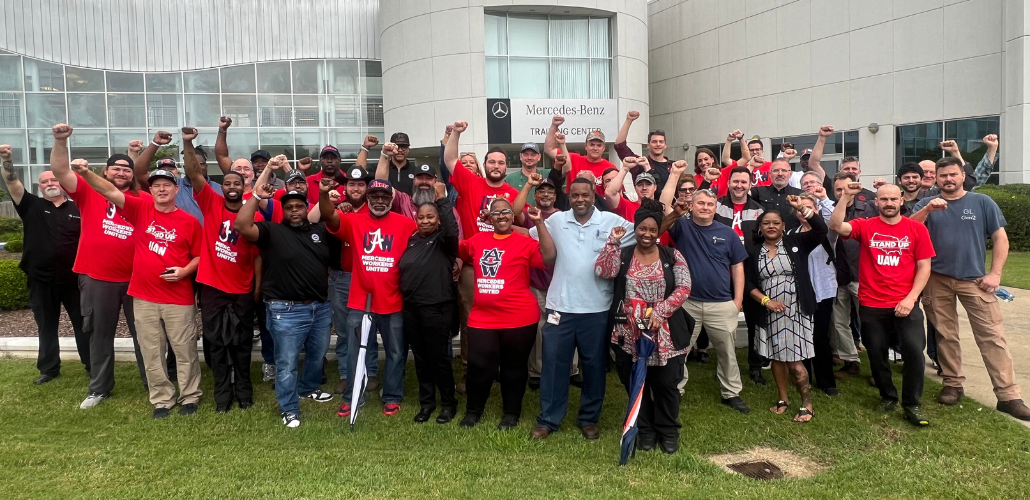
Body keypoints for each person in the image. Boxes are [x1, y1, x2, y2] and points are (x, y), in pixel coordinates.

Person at [73, 158, 204, 419]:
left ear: (176, 190)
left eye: (167, 185)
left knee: (184, 349)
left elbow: (200, 256)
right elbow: (108, 191)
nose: (162, 190)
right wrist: (85, 172)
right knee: (151, 350)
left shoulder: (189, 221)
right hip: (143, 297)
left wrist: (184, 271)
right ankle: (162, 400)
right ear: (150, 190)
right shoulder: (139, 209)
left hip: (178, 298)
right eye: (157, 186)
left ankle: (190, 396)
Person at [48, 124, 163, 409]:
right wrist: (60, 141)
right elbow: (62, 172)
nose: (122, 172)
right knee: (100, 334)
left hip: (138, 279)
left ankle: (154, 384)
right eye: (116, 169)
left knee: (146, 335)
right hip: (98, 277)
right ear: (106, 172)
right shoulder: (88, 191)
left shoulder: (146, 199)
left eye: (127, 169)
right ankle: (99, 388)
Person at [911, 158, 1030, 421]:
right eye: (943, 176)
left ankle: (1008, 396)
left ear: (963, 175)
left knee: (992, 335)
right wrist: (928, 209)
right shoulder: (926, 204)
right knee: (945, 334)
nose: (948, 179)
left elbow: (1000, 238)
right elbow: (910, 231)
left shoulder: (982, 202)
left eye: (953, 174)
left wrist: (995, 274)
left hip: (975, 280)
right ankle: (952, 384)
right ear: (937, 179)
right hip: (936, 278)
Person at [528, 178, 634, 440]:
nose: (580, 200)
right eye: (575, 195)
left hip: (596, 308)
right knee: (553, 365)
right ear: (569, 196)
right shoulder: (555, 220)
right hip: (559, 307)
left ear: (593, 195)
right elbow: (531, 237)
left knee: (594, 365)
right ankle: (549, 419)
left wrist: (673, 215)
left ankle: (589, 418)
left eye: (585, 195)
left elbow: (648, 230)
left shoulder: (612, 222)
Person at [236, 166, 334, 428]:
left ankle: (309, 387)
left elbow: (331, 221)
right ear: (284, 209)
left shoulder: (319, 232)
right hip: (286, 309)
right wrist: (256, 196)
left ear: (305, 208)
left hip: (320, 307)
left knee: (317, 353)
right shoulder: (271, 232)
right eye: (289, 206)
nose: (294, 210)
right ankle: (289, 407)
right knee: (287, 362)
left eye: (298, 206)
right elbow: (242, 225)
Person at [830, 183, 934, 426]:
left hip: (905, 304)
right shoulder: (865, 226)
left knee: (913, 352)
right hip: (872, 304)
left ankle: (912, 403)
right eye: (883, 199)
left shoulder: (915, 229)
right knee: (876, 354)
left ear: (901, 201)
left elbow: (924, 267)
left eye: (893, 199)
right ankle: (888, 396)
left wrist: (911, 299)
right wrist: (845, 197)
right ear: (876, 202)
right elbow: (835, 225)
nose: (889, 203)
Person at [596, 199, 692, 454]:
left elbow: (684, 287)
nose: (647, 234)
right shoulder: (625, 254)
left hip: (665, 333)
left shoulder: (671, 255)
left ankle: (668, 430)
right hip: (629, 333)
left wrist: (661, 311)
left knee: (666, 385)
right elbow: (604, 272)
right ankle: (646, 429)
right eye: (642, 229)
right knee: (637, 385)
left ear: (658, 231)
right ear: (635, 230)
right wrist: (613, 242)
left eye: (652, 229)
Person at [659, 163, 750, 414]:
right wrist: (674, 175)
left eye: (710, 205)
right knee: (680, 350)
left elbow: (737, 267)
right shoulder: (682, 226)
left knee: (727, 351)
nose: (705, 208)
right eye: (700, 203)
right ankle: (676, 389)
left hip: (722, 303)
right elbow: (664, 205)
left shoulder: (727, 233)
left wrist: (738, 300)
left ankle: (731, 392)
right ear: (692, 205)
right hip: (687, 301)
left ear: (715, 208)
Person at [458, 198, 555, 429]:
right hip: (482, 317)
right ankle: (473, 410)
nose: (502, 216)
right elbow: (460, 251)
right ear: (489, 218)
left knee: (513, 367)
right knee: (479, 365)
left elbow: (549, 258)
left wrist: (540, 224)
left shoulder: (524, 242)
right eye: (496, 213)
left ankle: (511, 414)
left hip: (519, 317)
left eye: (506, 212)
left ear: (513, 216)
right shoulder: (477, 241)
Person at [324, 179, 416, 418]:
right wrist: (325, 196)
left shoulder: (406, 224)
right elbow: (330, 219)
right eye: (374, 196)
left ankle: (392, 395)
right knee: (356, 351)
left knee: (396, 351)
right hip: (360, 299)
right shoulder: (354, 221)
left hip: (393, 300)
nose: (379, 201)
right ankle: (353, 395)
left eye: (384, 197)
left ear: (391, 200)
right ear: (367, 198)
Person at [181, 128, 256, 413]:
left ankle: (244, 394)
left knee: (242, 344)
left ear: (244, 186)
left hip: (242, 290)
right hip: (212, 287)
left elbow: (258, 256)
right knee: (216, 344)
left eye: (237, 182)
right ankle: (222, 397)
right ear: (221, 187)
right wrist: (188, 142)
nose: (232, 186)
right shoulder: (210, 202)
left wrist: (256, 290)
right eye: (227, 182)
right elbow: (193, 172)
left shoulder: (252, 211)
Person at [443, 121, 522, 393]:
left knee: (502, 316)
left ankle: (496, 367)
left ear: (505, 167)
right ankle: (469, 371)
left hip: (505, 267)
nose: (496, 166)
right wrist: (457, 133)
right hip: (472, 265)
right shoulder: (471, 184)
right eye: (492, 161)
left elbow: (523, 220)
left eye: (501, 162)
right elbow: (451, 158)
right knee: (471, 318)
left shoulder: (512, 194)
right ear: (485, 164)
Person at [1, 144, 86, 385]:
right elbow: (12, 182)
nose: (50, 184)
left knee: (83, 325)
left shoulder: (79, 208)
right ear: (39, 187)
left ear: (62, 183)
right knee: (46, 326)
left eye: (54, 180)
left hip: (74, 279)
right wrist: (7, 158)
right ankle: (49, 369)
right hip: (40, 279)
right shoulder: (31, 206)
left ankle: (92, 365)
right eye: (44, 181)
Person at [745, 200, 828, 423]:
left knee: (793, 357)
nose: (771, 226)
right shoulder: (754, 252)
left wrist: (802, 208)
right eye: (766, 223)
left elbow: (821, 229)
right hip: (769, 310)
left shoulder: (797, 242)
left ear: (783, 226)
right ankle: (783, 399)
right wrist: (766, 301)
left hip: (796, 309)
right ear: (760, 228)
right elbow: (749, 283)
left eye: (776, 223)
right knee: (776, 356)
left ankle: (807, 403)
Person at [398, 182, 460, 424]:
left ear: (438, 219)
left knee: (439, 359)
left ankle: (448, 403)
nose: (425, 221)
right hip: (411, 308)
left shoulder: (444, 242)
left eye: (430, 217)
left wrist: (442, 200)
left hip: (437, 308)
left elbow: (453, 231)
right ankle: (427, 403)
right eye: (421, 217)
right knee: (421, 359)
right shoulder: (412, 241)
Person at [511, 174, 578, 390]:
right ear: (536, 195)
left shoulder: (567, 216)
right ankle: (537, 371)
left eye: (550, 191)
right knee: (540, 327)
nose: (546, 194)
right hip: (537, 280)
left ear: (556, 196)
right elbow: (515, 213)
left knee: (567, 325)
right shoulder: (531, 214)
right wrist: (529, 184)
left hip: (562, 280)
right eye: (541, 191)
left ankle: (572, 369)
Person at [713, 166, 766, 385]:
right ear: (729, 183)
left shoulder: (758, 210)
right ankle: (724, 365)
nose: (739, 186)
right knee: (722, 323)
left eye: (744, 182)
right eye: (735, 181)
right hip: (721, 272)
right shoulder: (716, 206)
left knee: (755, 321)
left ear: (750, 185)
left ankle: (755, 366)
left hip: (750, 272)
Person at [829, 172, 877, 379]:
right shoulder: (829, 210)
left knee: (869, 322)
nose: (843, 193)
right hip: (838, 275)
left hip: (864, 275)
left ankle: (878, 366)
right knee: (840, 322)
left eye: (846, 189)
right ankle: (851, 361)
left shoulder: (870, 209)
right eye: (838, 189)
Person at [792, 187, 839, 396]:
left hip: (823, 290)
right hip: (801, 292)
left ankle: (827, 382)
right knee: (803, 336)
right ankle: (806, 378)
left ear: (817, 211)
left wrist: (824, 199)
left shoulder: (827, 232)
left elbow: (832, 217)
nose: (804, 212)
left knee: (820, 337)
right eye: (800, 209)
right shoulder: (792, 234)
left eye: (809, 208)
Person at [134, 130, 223, 223]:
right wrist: (155, 143)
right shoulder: (171, 185)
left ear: (206, 166)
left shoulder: (220, 189)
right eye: (191, 164)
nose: (196, 167)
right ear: (185, 167)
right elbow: (140, 173)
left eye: (200, 163)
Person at [544, 114, 614, 196]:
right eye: (592, 144)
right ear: (585, 146)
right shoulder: (574, 159)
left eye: (599, 145)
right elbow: (549, 150)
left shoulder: (611, 168)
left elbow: (616, 193)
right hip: (573, 205)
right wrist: (554, 126)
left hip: (598, 207)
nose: (595, 148)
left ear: (603, 148)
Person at [613, 111, 671, 192]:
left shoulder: (673, 167)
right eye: (654, 142)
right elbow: (619, 146)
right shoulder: (639, 164)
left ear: (665, 145)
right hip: (645, 204)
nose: (658, 144)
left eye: (661, 142)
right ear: (648, 145)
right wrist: (628, 120)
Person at [751, 158, 804, 232]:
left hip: (792, 241)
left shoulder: (800, 195)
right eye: (776, 170)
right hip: (763, 240)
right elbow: (741, 192)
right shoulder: (758, 191)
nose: (780, 174)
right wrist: (751, 166)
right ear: (770, 174)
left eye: (784, 170)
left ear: (790, 174)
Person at [604, 156, 658, 222]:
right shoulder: (627, 206)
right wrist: (625, 168)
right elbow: (610, 193)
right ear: (635, 188)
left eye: (648, 184)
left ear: (655, 187)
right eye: (640, 185)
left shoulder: (661, 208)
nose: (644, 188)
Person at [504, 142, 551, 207]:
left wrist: (562, 144)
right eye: (526, 154)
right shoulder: (509, 179)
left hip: (542, 216)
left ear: (539, 157)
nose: (529, 157)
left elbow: (567, 168)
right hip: (518, 216)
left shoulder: (547, 174)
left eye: (533, 154)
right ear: (520, 156)